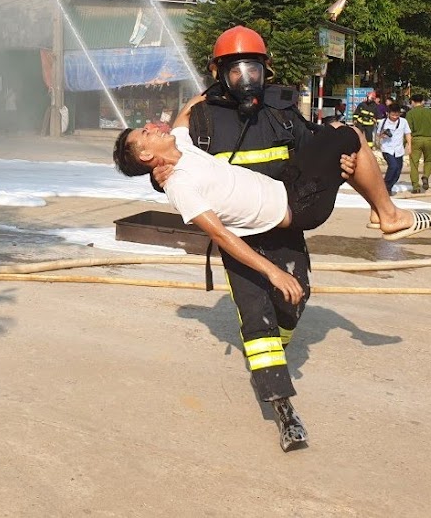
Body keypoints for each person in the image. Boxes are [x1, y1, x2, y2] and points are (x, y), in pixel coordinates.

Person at [138, 26, 351, 451]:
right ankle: (283, 408)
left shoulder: (284, 110)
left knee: (297, 296)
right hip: (238, 234)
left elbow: (311, 158)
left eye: (252, 67)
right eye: (235, 69)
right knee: (257, 316)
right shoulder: (203, 118)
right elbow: (172, 168)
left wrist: (339, 166)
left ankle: (274, 347)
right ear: (219, 71)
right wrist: (158, 177)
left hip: (284, 220)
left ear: (265, 67)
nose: (245, 78)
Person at [114, 98, 431, 246]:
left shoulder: (182, 143)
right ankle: (387, 214)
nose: (150, 128)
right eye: (144, 133)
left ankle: (379, 211)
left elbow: (185, 112)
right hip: (298, 207)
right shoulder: (178, 182)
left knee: (336, 129)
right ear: (145, 154)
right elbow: (219, 235)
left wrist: (209, 92)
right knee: (349, 136)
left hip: (287, 186)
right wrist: (273, 273)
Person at [377, 103, 412, 195]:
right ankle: (384, 184)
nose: (395, 117)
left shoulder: (403, 121)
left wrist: (409, 145)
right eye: (393, 115)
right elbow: (378, 135)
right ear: (388, 113)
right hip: (387, 149)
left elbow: (407, 133)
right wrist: (383, 135)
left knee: (398, 171)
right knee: (393, 166)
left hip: (399, 150)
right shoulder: (383, 122)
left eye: (397, 115)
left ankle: (389, 187)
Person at [405, 94, 431, 192]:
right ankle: (426, 176)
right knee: (428, 161)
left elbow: (407, 130)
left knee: (414, 164)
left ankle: (415, 186)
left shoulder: (410, 113)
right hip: (429, 140)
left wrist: (405, 143)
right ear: (423, 102)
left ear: (413, 102)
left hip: (416, 140)